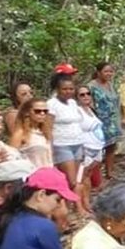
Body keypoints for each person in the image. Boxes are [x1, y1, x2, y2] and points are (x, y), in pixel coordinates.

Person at [47, 72, 89, 205]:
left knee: (77, 177)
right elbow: (48, 127)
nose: (68, 91)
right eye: (64, 89)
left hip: (77, 143)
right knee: (71, 180)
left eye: (71, 89)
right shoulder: (51, 104)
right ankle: (77, 208)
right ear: (57, 89)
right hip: (62, 145)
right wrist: (50, 147)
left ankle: (69, 204)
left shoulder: (72, 103)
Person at [73, 86, 105, 214]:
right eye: (82, 95)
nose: (86, 96)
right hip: (86, 148)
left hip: (97, 148)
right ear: (76, 98)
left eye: (88, 94)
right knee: (80, 177)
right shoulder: (77, 112)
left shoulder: (91, 110)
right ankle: (81, 205)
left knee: (88, 175)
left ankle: (87, 201)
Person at [88, 62, 122, 180]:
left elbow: (116, 102)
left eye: (111, 71)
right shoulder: (91, 86)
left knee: (111, 147)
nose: (109, 74)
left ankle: (109, 172)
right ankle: (94, 176)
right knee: (96, 148)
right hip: (98, 120)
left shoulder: (110, 85)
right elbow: (88, 103)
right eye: (106, 71)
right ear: (98, 72)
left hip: (112, 121)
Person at [9, 97, 54, 169]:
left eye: (45, 111)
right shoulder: (21, 133)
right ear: (27, 112)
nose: (42, 113)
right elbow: (11, 158)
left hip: (47, 173)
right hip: (30, 174)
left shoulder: (45, 133)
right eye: (37, 111)